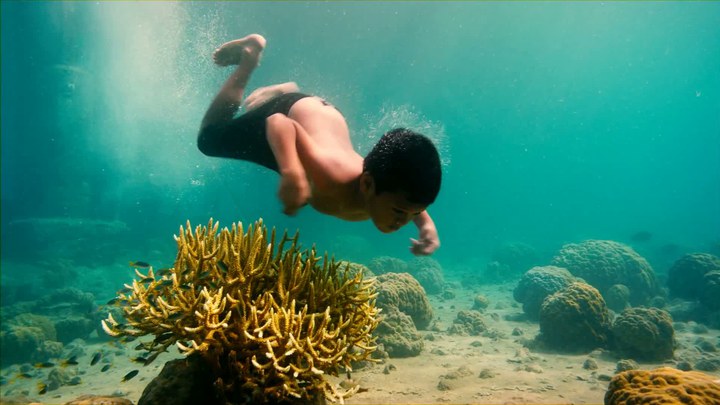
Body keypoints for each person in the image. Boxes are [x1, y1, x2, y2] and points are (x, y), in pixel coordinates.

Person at [197, 34, 442, 256]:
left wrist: (427, 226)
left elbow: (407, 198)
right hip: (289, 115)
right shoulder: (331, 176)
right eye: (400, 212)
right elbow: (278, 123)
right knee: (209, 140)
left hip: (324, 120)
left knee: (299, 168)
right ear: (367, 183)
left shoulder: (389, 192)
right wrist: (291, 172)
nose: (403, 221)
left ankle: (290, 90)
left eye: (413, 214)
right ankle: (249, 58)